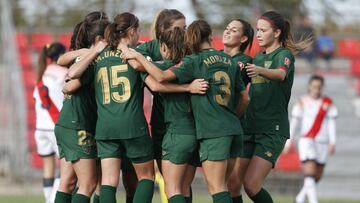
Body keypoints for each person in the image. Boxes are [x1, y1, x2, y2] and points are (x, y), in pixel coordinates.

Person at [121, 19, 249, 203]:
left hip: (180, 134)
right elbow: (245, 98)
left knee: (176, 189)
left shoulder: (190, 63)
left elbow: (157, 80)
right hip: (216, 130)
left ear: (164, 48)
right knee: (197, 188)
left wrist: (135, 54)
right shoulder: (228, 61)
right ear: (211, 36)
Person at [241, 11, 310, 203]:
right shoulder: (257, 57)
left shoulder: (284, 55)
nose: (259, 34)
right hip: (249, 128)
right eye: (257, 30)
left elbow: (280, 75)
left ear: (277, 32)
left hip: (272, 130)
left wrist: (260, 70)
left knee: (251, 185)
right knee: (231, 183)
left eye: (263, 30)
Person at [54, 11, 108, 203]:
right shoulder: (92, 59)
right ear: (100, 38)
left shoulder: (86, 55)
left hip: (69, 123)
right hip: (77, 125)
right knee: (89, 184)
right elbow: (69, 87)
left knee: (68, 182)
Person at [283, 75, 337, 203]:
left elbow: (331, 124)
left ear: (322, 87)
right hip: (307, 141)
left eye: (318, 87)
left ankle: (299, 198)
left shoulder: (328, 104)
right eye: (314, 86)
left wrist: (333, 141)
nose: (316, 89)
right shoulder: (302, 102)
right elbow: (295, 122)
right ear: (309, 86)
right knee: (310, 172)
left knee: (316, 176)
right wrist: (288, 141)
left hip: (322, 142)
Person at [222, 18, 253, 203]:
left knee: (231, 183)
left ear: (243, 39)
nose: (227, 32)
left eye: (233, 30)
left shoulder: (245, 62)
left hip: (233, 126)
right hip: (211, 124)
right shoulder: (214, 55)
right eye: (226, 28)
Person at [33, 42, 67, 203]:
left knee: (48, 168)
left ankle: (48, 199)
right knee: (65, 168)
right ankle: (51, 200)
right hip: (56, 127)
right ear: (61, 55)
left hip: (40, 128)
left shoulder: (42, 73)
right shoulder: (64, 72)